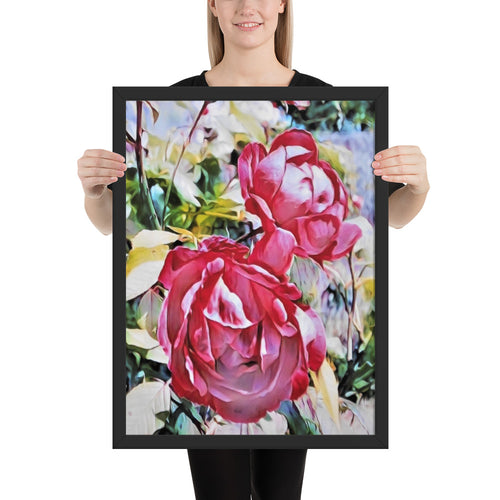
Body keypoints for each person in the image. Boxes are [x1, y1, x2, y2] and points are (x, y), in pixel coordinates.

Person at [78, 1, 430, 499]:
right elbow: (120, 230)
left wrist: (417, 187)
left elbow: (384, 216)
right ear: (213, 7)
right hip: (210, 345)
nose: (249, 6)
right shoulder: (175, 102)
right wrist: (96, 192)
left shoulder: (322, 98)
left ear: (284, 5)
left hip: (274, 344)